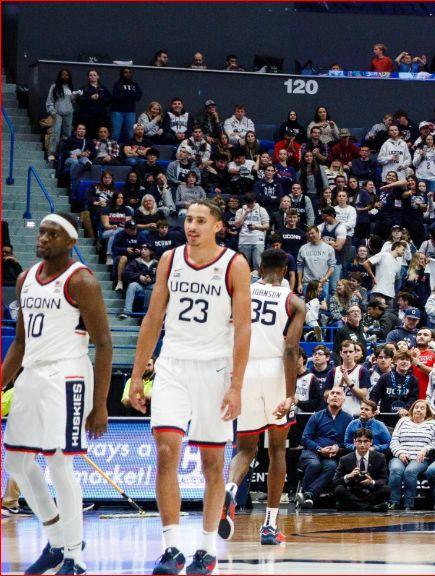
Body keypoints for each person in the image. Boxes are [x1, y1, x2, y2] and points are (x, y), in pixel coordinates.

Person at [127, 200, 252, 575]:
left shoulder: (234, 264)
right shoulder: (170, 259)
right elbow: (153, 317)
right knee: (166, 451)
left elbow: (243, 328)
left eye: (200, 220)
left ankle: (207, 548)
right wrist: (137, 374)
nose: (192, 226)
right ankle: (171, 548)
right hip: (172, 365)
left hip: (215, 369)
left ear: (218, 226)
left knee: (212, 462)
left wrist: (236, 385)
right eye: (188, 219)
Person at [2, 214, 111, 575]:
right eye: (43, 232)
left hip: (67, 375)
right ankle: (56, 540)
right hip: (32, 374)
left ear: (70, 242)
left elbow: (104, 343)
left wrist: (100, 405)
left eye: (53, 234)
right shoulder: (25, 279)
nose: (44, 238)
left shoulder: (81, 280)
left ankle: (75, 556)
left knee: (60, 464)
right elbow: (20, 342)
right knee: (16, 463)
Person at [221, 249, 304, 546]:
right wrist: (290, 394)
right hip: (275, 370)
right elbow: (291, 349)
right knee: (278, 449)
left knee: (245, 448)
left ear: (259, 266)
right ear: (285, 270)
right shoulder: (293, 301)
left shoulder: (241, 292)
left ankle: (230, 488)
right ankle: (269, 525)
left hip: (244, 369)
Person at [297, 386, 353, 508]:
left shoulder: (349, 419)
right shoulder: (316, 416)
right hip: (312, 452)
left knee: (332, 467)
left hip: (332, 455)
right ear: (327, 399)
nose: (335, 395)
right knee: (314, 464)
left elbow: (349, 441)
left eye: (338, 393)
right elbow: (305, 439)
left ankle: (307, 495)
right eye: (332, 393)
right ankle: (305, 495)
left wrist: (338, 447)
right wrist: (319, 449)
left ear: (343, 400)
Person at [387, 399, 435, 510]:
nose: (418, 410)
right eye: (416, 407)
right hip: (401, 455)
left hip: (420, 457)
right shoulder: (403, 421)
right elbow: (394, 440)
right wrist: (400, 453)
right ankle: (393, 502)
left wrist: (425, 449)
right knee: (396, 470)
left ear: (426, 412)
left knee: (410, 471)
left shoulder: (432, 423)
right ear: (412, 409)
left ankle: (408, 504)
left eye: (422, 408)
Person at [332, 428, 390, 511]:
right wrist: (348, 476)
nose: (362, 444)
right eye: (359, 441)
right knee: (339, 489)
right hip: (352, 492)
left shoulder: (380, 457)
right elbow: (335, 481)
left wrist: (372, 482)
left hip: (370, 493)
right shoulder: (345, 459)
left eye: (366, 441)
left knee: (386, 489)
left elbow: (384, 480)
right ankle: (369, 508)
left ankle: (354, 506)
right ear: (354, 442)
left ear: (371, 442)